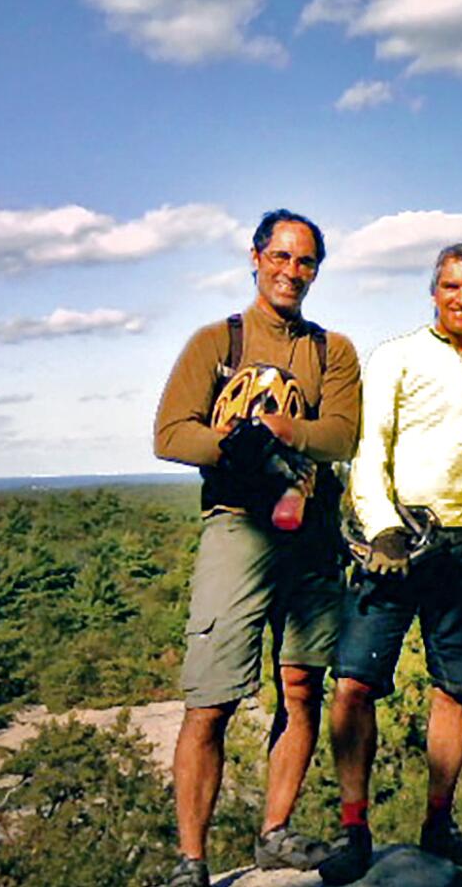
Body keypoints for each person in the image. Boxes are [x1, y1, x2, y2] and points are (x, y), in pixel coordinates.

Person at [154, 210, 361, 887]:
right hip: (237, 527)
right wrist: (231, 444)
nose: (290, 271)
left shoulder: (333, 352)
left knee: (301, 685)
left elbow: (339, 436)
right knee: (210, 700)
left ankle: (274, 833)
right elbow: (168, 434)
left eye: (305, 262)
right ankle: (192, 861)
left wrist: (278, 426)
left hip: (312, 538)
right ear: (255, 256)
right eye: (280, 256)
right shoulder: (216, 341)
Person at [319, 244, 462, 886]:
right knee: (352, 683)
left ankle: (439, 823)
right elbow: (370, 448)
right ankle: (353, 829)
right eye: (453, 286)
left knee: (454, 687)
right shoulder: (396, 356)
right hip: (395, 535)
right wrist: (382, 528)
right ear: (434, 291)